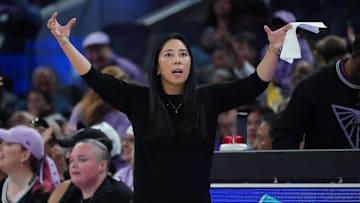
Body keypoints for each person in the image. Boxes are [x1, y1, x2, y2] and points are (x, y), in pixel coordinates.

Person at [47, 11, 290, 202]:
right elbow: (94, 77)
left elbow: (255, 84)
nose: (177, 60)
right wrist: (65, 43)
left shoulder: (208, 98)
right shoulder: (139, 99)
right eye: (169, 55)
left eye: (183, 55)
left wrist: (273, 49)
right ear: (156, 65)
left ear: (191, 63)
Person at [272, 33, 360, 149]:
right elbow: (285, 133)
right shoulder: (315, 85)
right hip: (324, 165)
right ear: (355, 54)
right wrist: (295, 165)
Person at [48, 139, 133, 202]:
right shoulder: (74, 190)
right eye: (71, 160)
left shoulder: (115, 195)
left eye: (82, 160)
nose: (73, 165)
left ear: (102, 165)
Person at [0, 125, 60, 203]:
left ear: (25, 155)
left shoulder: (44, 196)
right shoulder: (2, 187)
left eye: (8, 144)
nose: (0, 147)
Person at [82, 31, 147, 86]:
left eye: (98, 51)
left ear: (108, 49)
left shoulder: (126, 68)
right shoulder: (86, 71)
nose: (95, 57)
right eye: (90, 52)